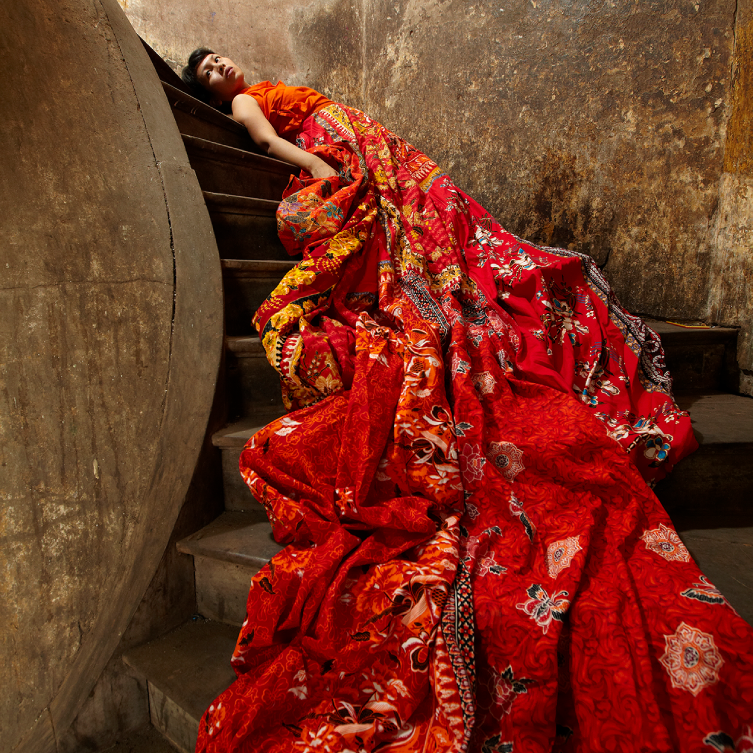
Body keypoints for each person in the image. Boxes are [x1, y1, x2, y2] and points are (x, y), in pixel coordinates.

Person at [182, 50, 753, 753]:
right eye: (206, 69)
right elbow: (270, 143)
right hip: (346, 157)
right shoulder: (250, 105)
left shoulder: (272, 87)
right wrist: (329, 173)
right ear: (205, 90)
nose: (221, 65)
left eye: (218, 57)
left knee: (459, 233)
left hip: (370, 148)